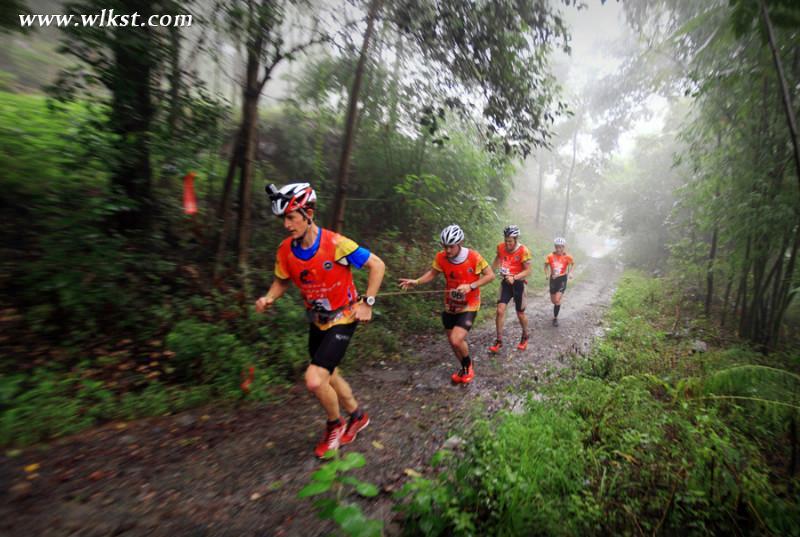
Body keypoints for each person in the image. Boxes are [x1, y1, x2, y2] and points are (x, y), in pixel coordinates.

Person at [255, 183, 386, 458]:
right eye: (284, 219)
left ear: (309, 213)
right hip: (317, 322)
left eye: (291, 217)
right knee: (330, 374)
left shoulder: (336, 243)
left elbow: (377, 264)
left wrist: (367, 302)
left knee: (315, 380)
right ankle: (357, 416)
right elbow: (282, 280)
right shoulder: (285, 251)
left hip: (344, 317)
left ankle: (334, 425)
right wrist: (269, 297)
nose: (287, 225)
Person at [398, 225, 494, 384]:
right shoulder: (441, 257)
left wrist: (471, 286)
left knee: (457, 339)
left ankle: (468, 366)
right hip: (450, 305)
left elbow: (490, 276)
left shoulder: (474, 257)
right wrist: (416, 281)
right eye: (445, 246)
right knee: (452, 341)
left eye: (451, 246)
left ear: (460, 243)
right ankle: (464, 369)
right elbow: (432, 273)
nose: (448, 250)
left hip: (470, 304)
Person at [489, 225, 533, 352]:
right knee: (500, 310)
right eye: (506, 240)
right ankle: (498, 340)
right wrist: (491, 271)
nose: (507, 243)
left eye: (510, 241)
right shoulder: (501, 247)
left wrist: (515, 277)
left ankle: (525, 335)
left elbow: (528, 271)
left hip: (519, 284)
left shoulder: (524, 251)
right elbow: (498, 258)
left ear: (516, 239)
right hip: (506, 283)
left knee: (520, 313)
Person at [544, 237, 574, 327]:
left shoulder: (567, 257)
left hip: (562, 279)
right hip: (553, 279)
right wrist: (546, 274)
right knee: (553, 300)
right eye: (557, 247)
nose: (558, 249)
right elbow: (545, 266)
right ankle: (557, 302)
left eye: (560, 247)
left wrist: (571, 273)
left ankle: (555, 318)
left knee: (557, 300)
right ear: (555, 247)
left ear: (563, 247)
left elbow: (572, 264)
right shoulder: (550, 256)